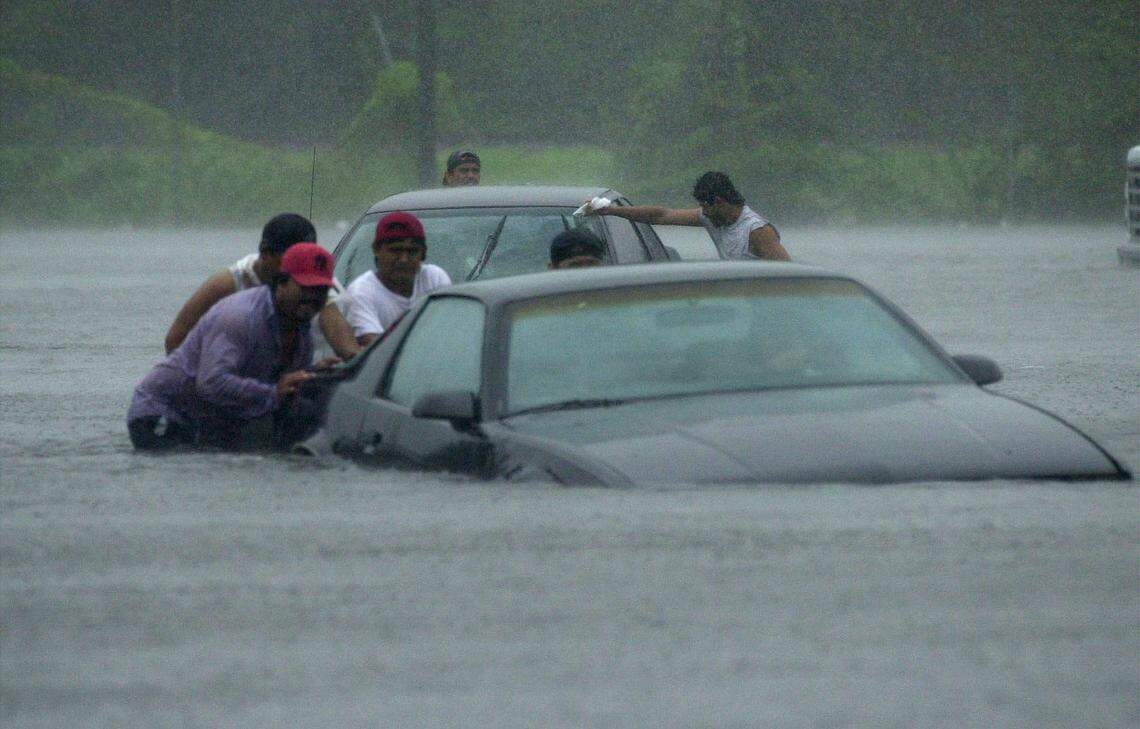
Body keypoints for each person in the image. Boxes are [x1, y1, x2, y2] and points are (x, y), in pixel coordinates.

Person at [128, 243, 339, 450]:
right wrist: (273, 393)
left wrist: (310, 374)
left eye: (321, 290)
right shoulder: (240, 316)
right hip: (163, 410)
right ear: (282, 283)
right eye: (306, 288)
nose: (313, 297)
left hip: (209, 419)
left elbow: (277, 382)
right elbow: (211, 382)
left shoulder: (302, 329)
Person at [164, 213, 360, 360]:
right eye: (291, 260)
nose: (300, 271)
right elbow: (175, 340)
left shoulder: (314, 285)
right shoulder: (228, 284)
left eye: (306, 259)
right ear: (266, 253)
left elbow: (346, 346)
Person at [586, 171, 790, 261]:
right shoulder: (711, 217)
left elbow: (788, 277)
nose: (703, 212)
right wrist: (611, 210)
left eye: (704, 206)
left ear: (718, 201)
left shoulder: (757, 232)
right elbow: (660, 215)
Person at [345, 211, 452, 346]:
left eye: (412, 251)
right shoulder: (360, 292)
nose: (403, 259)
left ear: (423, 253)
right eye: (395, 250)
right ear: (376, 250)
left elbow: (448, 332)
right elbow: (374, 348)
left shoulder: (435, 278)